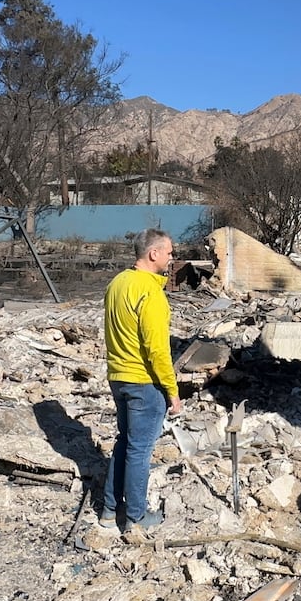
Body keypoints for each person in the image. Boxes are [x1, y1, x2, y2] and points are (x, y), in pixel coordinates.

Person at [100, 228, 181, 532]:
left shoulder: (117, 283)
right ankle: (135, 516)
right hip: (143, 382)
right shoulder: (150, 292)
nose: (172, 258)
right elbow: (157, 349)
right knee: (139, 450)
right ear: (153, 253)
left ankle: (109, 509)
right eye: (169, 252)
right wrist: (172, 391)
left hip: (118, 377)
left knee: (125, 442)